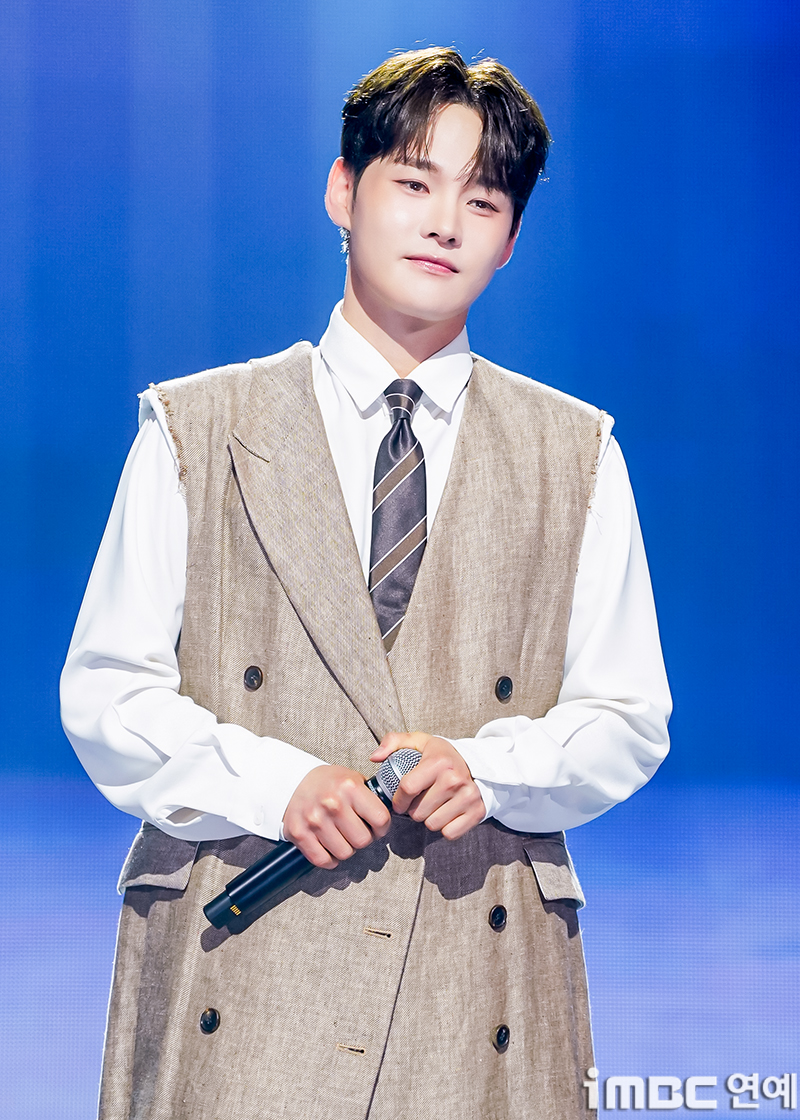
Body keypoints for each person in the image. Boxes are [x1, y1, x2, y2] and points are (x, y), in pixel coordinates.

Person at [61, 47, 671, 1120]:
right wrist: (276, 783)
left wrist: (490, 769)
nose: (444, 224)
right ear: (342, 191)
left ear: (510, 240)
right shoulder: (199, 428)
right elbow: (107, 691)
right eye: (414, 182)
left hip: (472, 967)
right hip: (247, 945)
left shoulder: (574, 455)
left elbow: (627, 716)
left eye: (481, 201)